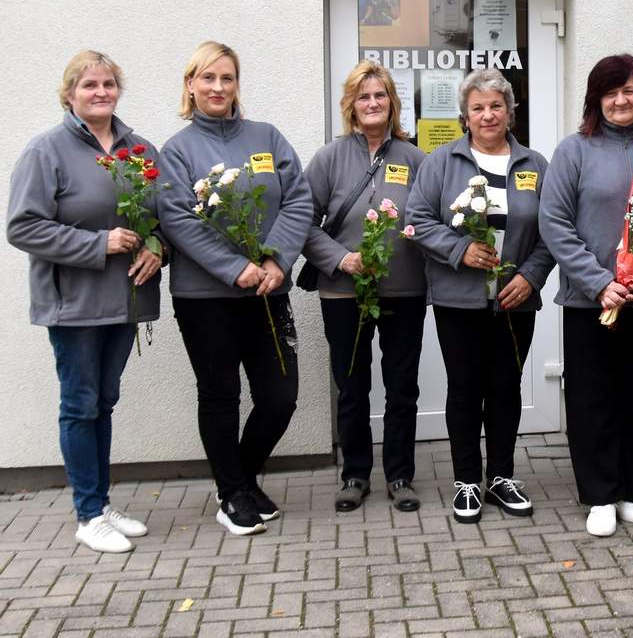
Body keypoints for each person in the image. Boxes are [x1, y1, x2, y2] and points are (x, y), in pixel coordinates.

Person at [7, 50, 162, 553]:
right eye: (90, 85)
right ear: (70, 93)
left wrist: (157, 248)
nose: (101, 92)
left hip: (125, 300)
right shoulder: (46, 150)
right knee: (79, 404)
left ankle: (101, 501)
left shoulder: (139, 149)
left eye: (109, 84)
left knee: (105, 402)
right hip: (73, 302)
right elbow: (23, 226)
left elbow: (164, 215)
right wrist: (97, 244)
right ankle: (87, 513)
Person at [158, 41, 313, 537]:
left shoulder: (267, 137)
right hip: (207, 300)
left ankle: (240, 480)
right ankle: (232, 495)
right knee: (221, 396)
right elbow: (178, 219)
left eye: (227, 78)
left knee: (280, 396)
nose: (218, 88)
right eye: (207, 78)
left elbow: (299, 201)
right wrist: (232, 267)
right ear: (190, 85)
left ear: (237, 84)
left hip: (268, 290)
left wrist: (275, 258)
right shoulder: (177, 151)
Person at [539, 54, 633, 537]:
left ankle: (630, 490)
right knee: (592, 398)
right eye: (610, 92)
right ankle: (599, 494)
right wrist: (597, 281)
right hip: (592, 301)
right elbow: (555, 223)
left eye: (629, 90)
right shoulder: (574, 150)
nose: (621, 100)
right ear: (596, 99)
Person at [407, 69, 554, 523]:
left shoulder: (534, 165)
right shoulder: (442, 161)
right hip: (459, 301)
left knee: (506, 388)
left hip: (514, 299)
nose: (487, 115)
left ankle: (501, 477)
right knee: (466, 389)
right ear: (464, 116)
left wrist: (530, 277)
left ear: (510, 112)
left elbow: (553, 233)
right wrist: (460, 250)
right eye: (477, 107)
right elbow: (416, 219)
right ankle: (467, 481)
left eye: (496, 106)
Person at [303, 60, 427, 514]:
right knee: (352, 387)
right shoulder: (329, 158)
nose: (372, 103)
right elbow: (303, 222)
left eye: (380, 95)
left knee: (402, 387)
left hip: (405, 292)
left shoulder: (416, 160)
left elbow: (429, 221)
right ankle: (354, 473)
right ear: (351, 106)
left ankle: (399, 475)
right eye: (363, 96)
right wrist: (341, 258)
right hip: (343, 293)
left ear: (393, 104)